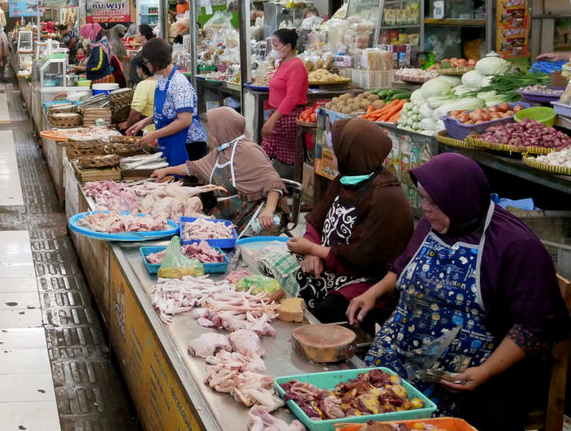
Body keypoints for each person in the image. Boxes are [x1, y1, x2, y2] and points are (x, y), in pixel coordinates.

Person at [349, 153, 571, 431]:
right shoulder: (434, 223)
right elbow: (404, 265)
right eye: (422, 198)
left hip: (475, 371)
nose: (424, 209)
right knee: (366, 408)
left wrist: (485, 372)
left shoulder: (515, 246)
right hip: (406, 350)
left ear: (460, 200)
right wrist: (373, 292)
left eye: (432, 201)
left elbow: (533, 328)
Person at [287, 118, 413, 328]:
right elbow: (316, 220)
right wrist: (310, 252)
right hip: (328, 263)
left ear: (352, 154)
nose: (334, 155)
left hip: (365, 279)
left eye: (337, 151)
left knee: (323, 313)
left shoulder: (386, 197)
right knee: (273, 269)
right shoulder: (345, 179)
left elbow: (362, 258)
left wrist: (314, 249)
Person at [153, 107, 286, 230]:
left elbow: (273, 182)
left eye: (212, 130)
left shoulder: (248, 150)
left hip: (253, 217)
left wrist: (269, 210)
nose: (209, 134)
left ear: (223, 130)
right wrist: (166, 171)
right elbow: (193, 167)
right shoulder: (221, 151)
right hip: (226, 214)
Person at [126, 38, 207, 164]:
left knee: (181, 182)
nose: (146, 65)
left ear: (155, 61)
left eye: (147, 61)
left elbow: (185, 121)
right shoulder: (163, 80)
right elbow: (166, 111)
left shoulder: (179, 84)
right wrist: (143, 123)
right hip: (170, 141)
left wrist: (155, 134)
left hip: (188, 145)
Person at [261, 28, 308, 173]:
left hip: (288, 118)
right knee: (268, 153)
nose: (273, 49)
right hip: (278, 115)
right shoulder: (282, 63)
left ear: (288, 47)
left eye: (276, 45)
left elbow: (291, 97)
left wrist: (273, 119)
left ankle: (285, 187)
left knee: (287, 159)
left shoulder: (296, 65)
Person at [122, 55, 157, 134]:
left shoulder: (143, 85)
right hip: (158, 127)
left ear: (140, 69)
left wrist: (128, 124)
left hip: (146, 129)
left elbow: (136, 111)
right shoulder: (160, 82)